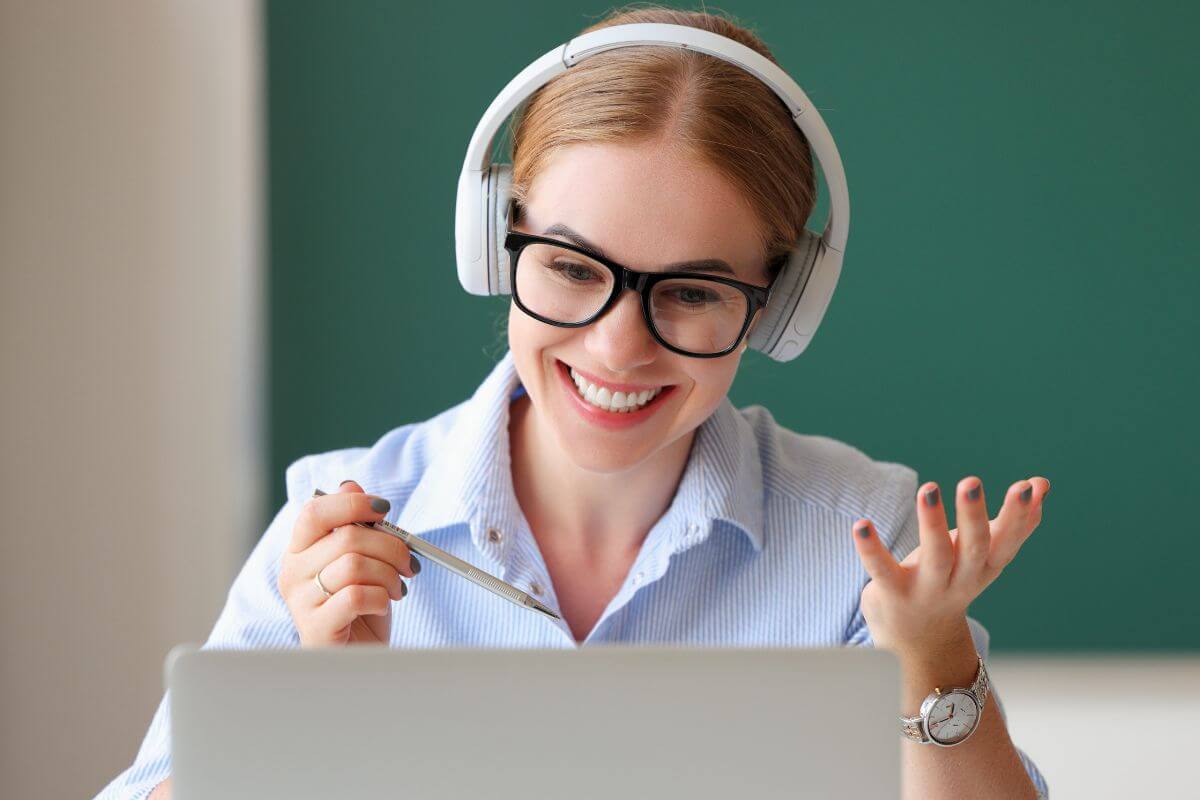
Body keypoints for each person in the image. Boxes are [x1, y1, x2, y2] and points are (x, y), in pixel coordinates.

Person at [94, 6, 1050, 799]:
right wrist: (305, 708)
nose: (616, 346)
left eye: (692, 291)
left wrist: (936, 662)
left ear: (777, 304)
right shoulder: (334, 525)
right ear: (493, 243)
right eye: (568, 266)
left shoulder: (859, 539)